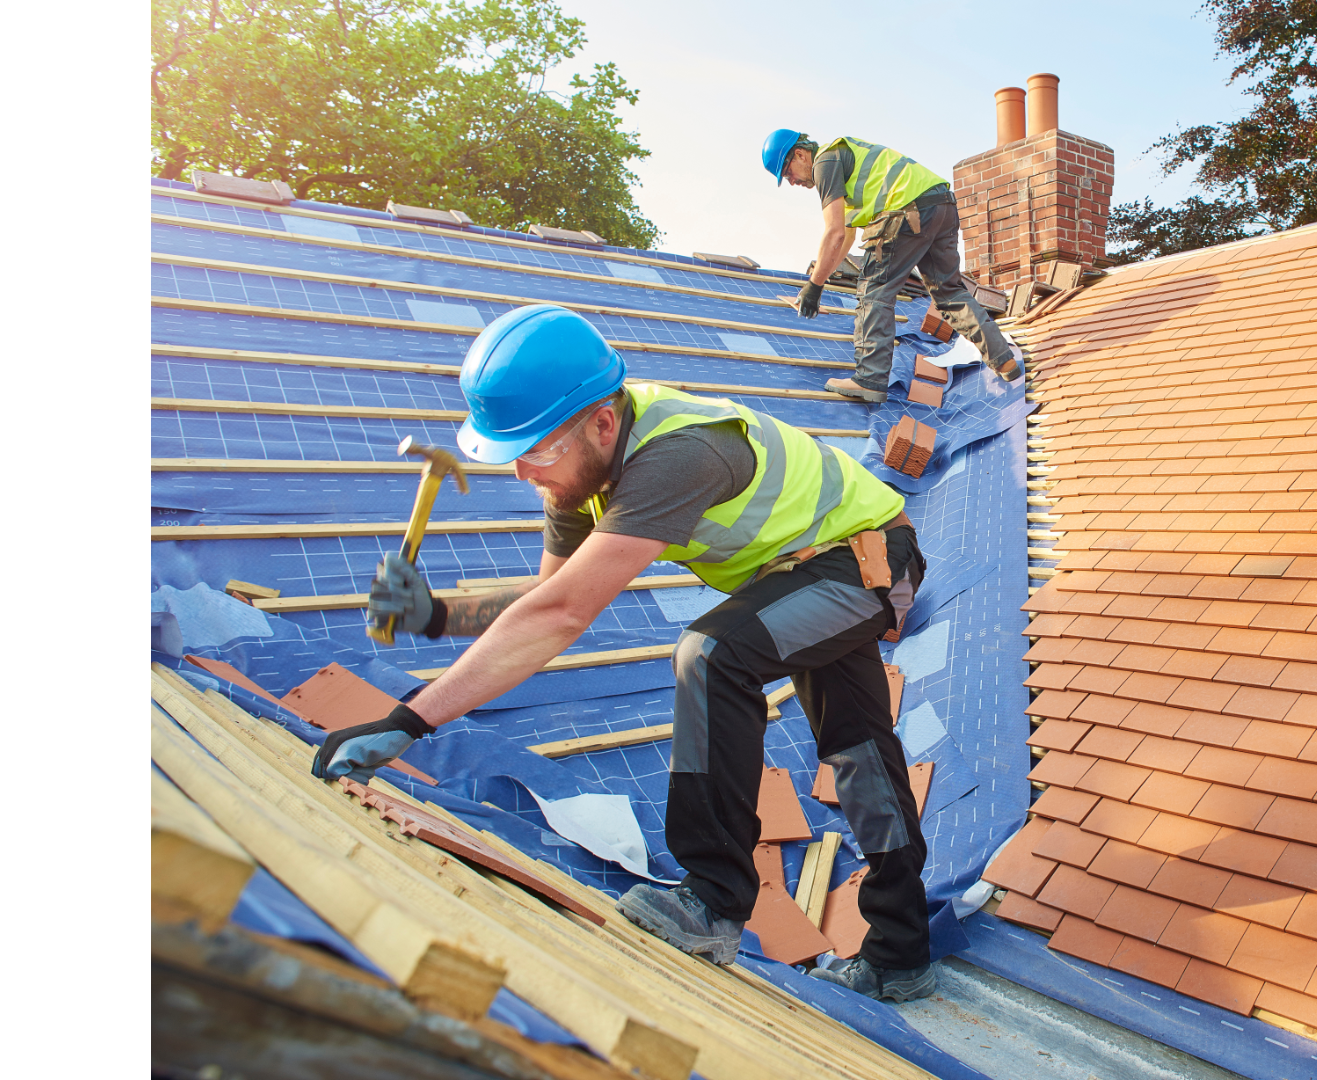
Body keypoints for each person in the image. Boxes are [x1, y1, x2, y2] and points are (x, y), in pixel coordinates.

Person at [310, 304, 937, 1003]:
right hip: (804, 572)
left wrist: (408, 721)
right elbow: (548, 601)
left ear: (602, 424)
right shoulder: (576, 472)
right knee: (858, 751)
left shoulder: (678, 455)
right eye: (511, 453)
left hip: (869, 560)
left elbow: (559, 617)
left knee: (712, 654)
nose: (522, 472)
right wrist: (436, 616)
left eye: (536, 450)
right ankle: (901, 953)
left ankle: (713, 900)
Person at [761, 128, 1021, 402]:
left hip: (906, 209)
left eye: (788, 172)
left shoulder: (825, 163)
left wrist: (813, 287)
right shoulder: (846, 166)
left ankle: (869, 379)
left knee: (874, 290)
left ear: (801, 154)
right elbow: (845, 237)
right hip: (941, 205)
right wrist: (819, 283)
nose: (791, 182)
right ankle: (1004, 360)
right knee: (949, 293)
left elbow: (833, 232)